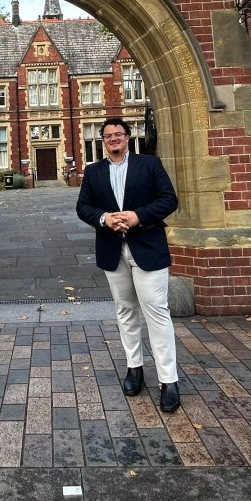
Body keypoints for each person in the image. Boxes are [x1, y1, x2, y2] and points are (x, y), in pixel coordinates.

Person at [76, 116, 181, 412]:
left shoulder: (149, 164)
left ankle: (168, 380)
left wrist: (138, 216)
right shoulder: (93, 172)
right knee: (125, 311)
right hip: (113, 250)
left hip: (147, 246)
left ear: (127, 136)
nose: (113, 139)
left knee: (157, 313)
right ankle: (134, 368)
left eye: (118, 134)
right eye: (108, 135)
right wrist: (105, 218)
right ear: (103, 141)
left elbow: (168, 200)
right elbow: (83, 207)